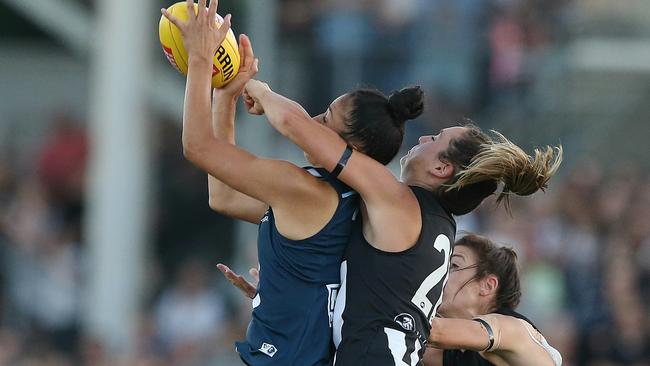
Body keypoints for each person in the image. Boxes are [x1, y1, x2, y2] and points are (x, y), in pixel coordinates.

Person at [161, 1, 424, 364]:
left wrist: (202, 60)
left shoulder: (306, 192)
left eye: (327, 118)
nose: (314, 120)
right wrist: (225, 95)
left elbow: (198, 147)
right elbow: (224, 197)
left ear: (353, 147)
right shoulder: (338, 199)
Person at [240, 78, 562, 365]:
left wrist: (259, 90)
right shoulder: (425, 231)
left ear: (441, 169)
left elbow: (302, 130)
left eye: (434, 138)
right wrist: (287, 295)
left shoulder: (400, 204)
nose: (422, 140)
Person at [423, 233, 562, 366]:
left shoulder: (512, 328)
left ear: (488, 286)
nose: (440, 273)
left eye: (454, 265)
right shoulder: (454, 354)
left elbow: (431, 330)